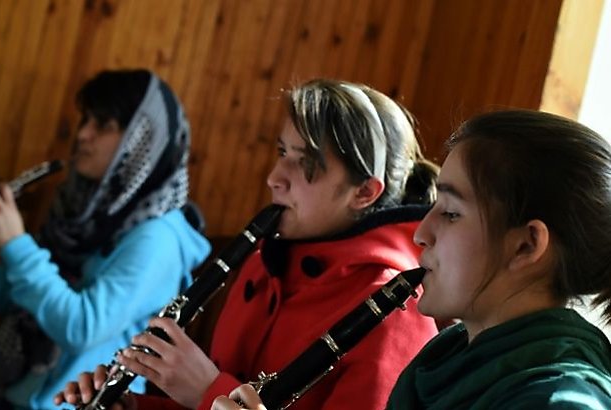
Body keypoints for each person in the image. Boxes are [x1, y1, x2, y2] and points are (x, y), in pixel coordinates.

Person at [56, 79, 440, 410]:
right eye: (282, 153)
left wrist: (210, 392)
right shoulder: (263, 264)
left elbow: (211, 398)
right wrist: (133, 405)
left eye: (304, 162)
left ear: (364, 192)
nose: (275, 177)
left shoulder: (397, 313)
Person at [211, 110, 611, 410]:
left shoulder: (560, 401)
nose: (421, 233)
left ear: (526, 245)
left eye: (451, 213)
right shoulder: (449, 355)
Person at [0, 69, 211, 410]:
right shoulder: (81, 212)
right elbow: (11, 296)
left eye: (103, 125)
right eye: (85, 120)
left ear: (141, 141)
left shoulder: (158, 239)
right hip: (9, 395)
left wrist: (16, 243)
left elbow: (82, 327)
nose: (83, 135)